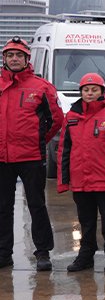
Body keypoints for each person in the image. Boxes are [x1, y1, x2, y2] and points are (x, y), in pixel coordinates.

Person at [0, 36, 61, 271]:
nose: (14, 59)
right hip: (3, 158)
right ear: (4, 59)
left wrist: (38, 141)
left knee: (36, 205)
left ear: (27, 59)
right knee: (3, 207)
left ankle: (43, 252)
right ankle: (4, 253)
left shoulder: (41, 87)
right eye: (10, 55)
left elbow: (56, 120)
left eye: (19, 55)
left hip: (31, 158)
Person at [56, 73, 105, 273]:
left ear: (102, 92)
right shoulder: (72, 117)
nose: (89, 93)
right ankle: (86, 255)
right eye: (86, 90)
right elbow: (64, 150)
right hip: (81, 181)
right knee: (85, 222)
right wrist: (63, 180)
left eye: (94, 89)